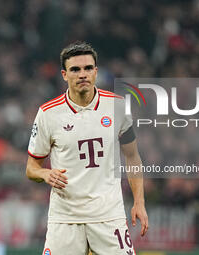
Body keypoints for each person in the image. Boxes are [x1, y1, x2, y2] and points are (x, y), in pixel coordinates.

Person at [26, 41, 148, 255]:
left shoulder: (118, 106)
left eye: (87, 68)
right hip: (66, 218)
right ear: (64, 75)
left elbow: (133, 157)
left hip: (109, 216)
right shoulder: (48, 114)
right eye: (75, 69)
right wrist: (45, 173)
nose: (82, 74)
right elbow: (31, 168)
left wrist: (139, 202)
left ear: (96, 72)